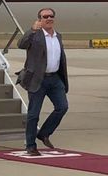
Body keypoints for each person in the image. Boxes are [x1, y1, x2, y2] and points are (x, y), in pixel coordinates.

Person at [18, 8, 70, 156]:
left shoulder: (58, 36)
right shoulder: (35, 35)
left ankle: (44, 133)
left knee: (62, 107)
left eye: (51, 16)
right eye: (45, 17)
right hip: (37, 79)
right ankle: (30, 145)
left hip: (54, 78)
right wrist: (31, 30)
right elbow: (21, 44)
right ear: (39, 19)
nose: (48, 19)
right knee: (33, 114)